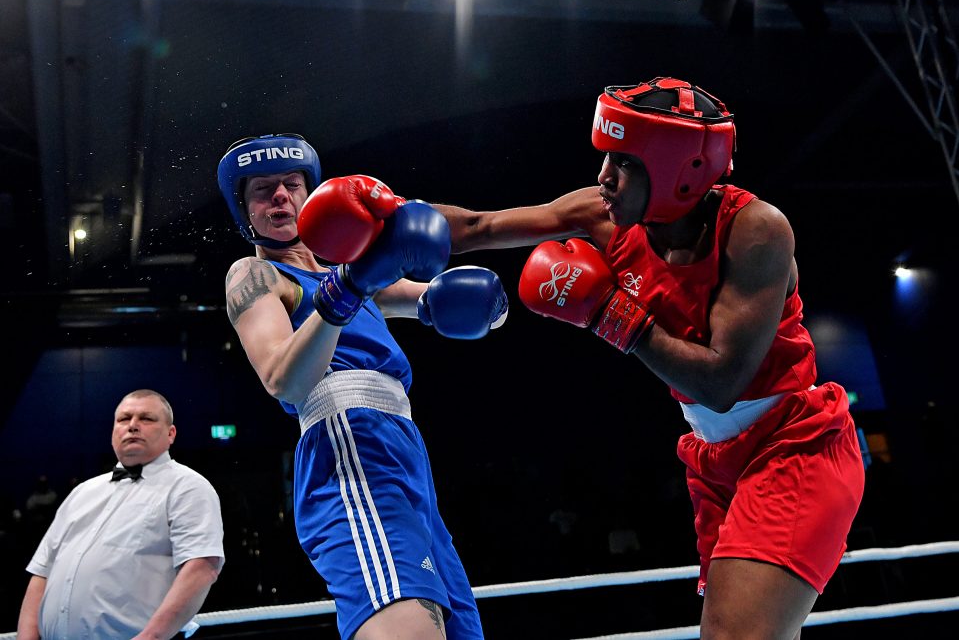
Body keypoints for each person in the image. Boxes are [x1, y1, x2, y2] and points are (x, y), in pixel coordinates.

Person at [435, 77, 866, 638]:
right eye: (606, 158)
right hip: (713, 459)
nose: (603, 177)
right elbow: (477, 227)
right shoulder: (606, 214)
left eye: (625, 163)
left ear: (674, 169)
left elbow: (721, 381)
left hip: (794, 447)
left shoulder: (755, 230)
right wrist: (384, 221)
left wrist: (608, 313)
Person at [217, 134, 506, 640]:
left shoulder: (350, 278)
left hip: (406, 459)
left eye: (291, 184)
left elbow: (446, 301)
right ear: (244, 210)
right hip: (349, 451)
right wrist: (346, 289)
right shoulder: (257, 273)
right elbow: (283, 379)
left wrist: (489, 304)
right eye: (263, 190)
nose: (281, 196)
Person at [17, 389, 224, 640]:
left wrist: (150, 638)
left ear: (171, 434)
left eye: (146, 418)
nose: (133, 426)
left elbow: (202, 568)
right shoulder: (82, 492)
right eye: (124, 419)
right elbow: (42, 572)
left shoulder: (188, 487)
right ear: (113, 432)